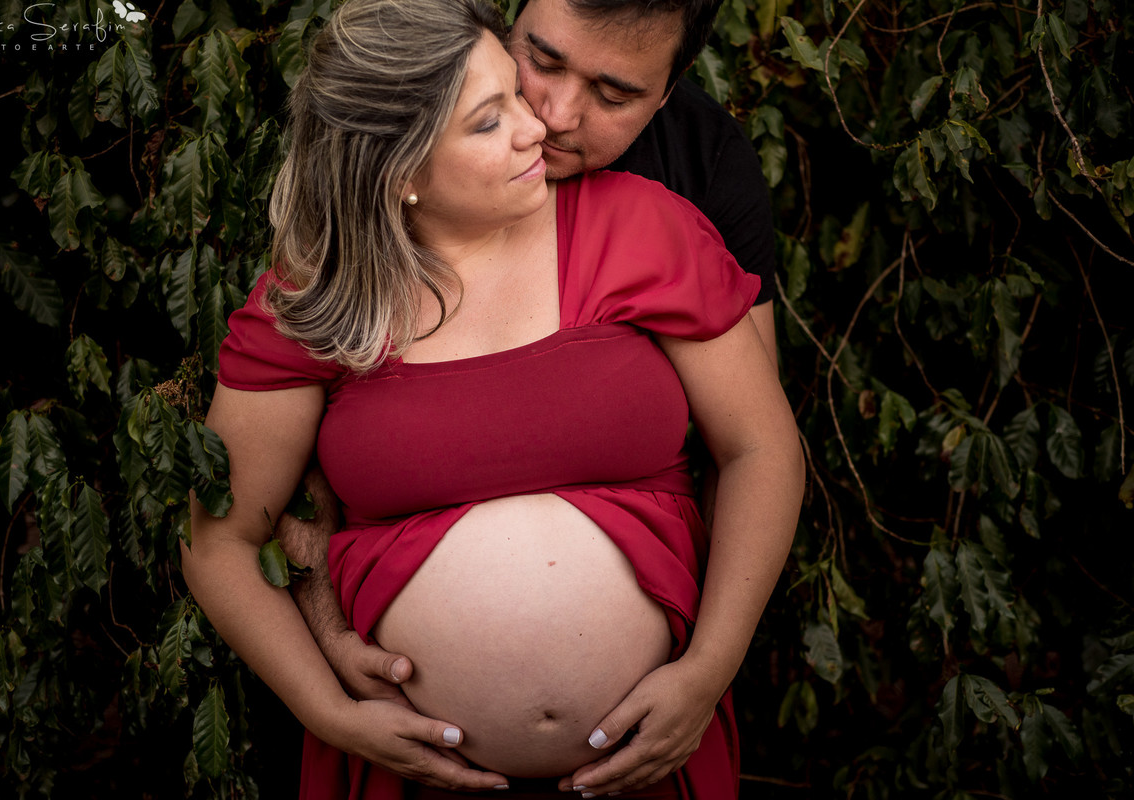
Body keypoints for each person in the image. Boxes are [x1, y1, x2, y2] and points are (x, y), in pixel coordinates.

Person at [183, 1, 803, 799]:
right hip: (406, 772)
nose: (541, 124)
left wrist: (709, 671)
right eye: (493, 115)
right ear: (400, 170)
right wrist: (327, 709)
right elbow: (223, 538)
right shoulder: (318, 298)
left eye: (515, 96)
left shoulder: (649, 221)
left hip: (649, 755)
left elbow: (761, 447)